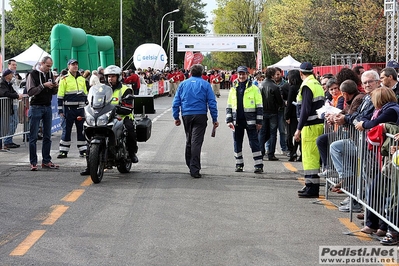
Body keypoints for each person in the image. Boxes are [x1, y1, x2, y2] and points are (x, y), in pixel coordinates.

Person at [80, 65, 139, 175]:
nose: (110, 79)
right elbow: (93, 100)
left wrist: (123, 107)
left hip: (122, 116)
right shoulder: (101, 88)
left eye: (113, 76)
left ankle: (131, 153)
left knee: (130, 129)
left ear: (118, 77)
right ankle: (90, 166)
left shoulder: (125, 89)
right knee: (89, 135)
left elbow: (129, 106)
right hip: (105, 116)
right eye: (108, 77)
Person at [172, 64, 218, 178]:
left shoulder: (183, 84)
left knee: (189, 140)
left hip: (186, 114)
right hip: (200, 114)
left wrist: (176, 117)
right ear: (202, 73)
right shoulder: (206, 84)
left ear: (190, 73)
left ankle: (190, 164)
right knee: (196, 142)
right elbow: (212, 103)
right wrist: (214, 118)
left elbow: (176, 101)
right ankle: (194, 168)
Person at [294, 62, 325, 198]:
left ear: (301, 73)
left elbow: (305, 109)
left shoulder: (307, 85)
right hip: (317, 124)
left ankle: (312, 188)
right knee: (313, 156)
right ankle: (309, 185)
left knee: (310, 157)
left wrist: (298, 129)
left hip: (310, 125)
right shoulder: (317, 84)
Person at [226, 66, 263, 173]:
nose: (241, 76)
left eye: (243, 74)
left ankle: (258, 165)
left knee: (254, 143)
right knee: (237, 143)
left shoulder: (254, 88)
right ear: (237, 75)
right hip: (237, 121)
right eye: (240, 74)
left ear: (247, 74)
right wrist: (229, 120)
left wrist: (259, 121)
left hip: (251, 121)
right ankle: (239, 164)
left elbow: (260, 106)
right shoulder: (233, 89)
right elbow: (229, 105)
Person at [26, 56, 59, 171]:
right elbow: (30, 91)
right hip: (36, 107)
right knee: (33, 136)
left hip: (47, 106)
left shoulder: (49, 74)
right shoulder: (32, 74)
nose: (49, 69)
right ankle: (33, 162)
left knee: (47, 136)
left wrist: (55, 86)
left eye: (50, 66)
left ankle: (46, 160)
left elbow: (53, 92)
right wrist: (43, 85)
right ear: (42, 63)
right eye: (47, 66)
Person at [57, 59, 88, 159]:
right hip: (68, 109)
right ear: (68, 66)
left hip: (80, 109)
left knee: (81, 130)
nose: (75, 66)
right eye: (72, 64)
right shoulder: (64, 79)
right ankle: (63, 151)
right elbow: (60, 96)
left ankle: (83, 150)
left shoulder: (82, 79)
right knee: (66, 130)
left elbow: (86, 94)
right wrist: (60, 110)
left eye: (76, 64)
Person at [259, 67, 283, 161]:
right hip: (273, 112)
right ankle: (271, 154)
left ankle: (260, 152)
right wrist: (280, 105)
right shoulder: (275, 87)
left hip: (262, 112)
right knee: (273, 134)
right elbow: (280, 101)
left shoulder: (260, 85)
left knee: (262, 132)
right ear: (272, 75)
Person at [0, 69, 23, 149]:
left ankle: (7, 141)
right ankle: (6, 141)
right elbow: (5, 93)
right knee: (3, 125)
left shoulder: (8, 83)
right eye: (11, 74)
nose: (13, 75)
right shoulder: (2, 83)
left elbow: (12, 91)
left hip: (8, 107)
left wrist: (17, 95)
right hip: (3, 108)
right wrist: (17, 96)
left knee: (10, 123)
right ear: (7, 75)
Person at [284, 70, 301, 162]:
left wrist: (287, 116)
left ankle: (293, 152)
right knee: (300, 134)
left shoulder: (292, 88)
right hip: (301, 114)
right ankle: (300, 153)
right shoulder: (302, 86)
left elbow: (289, 103)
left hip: (293, 115)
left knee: (291, 135)